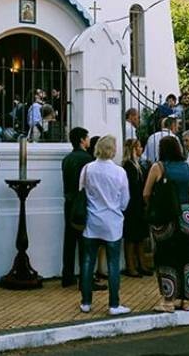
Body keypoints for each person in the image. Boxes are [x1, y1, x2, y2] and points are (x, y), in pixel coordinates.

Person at [144, 136, 189, 311]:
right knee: (188, 256)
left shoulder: (158, 167)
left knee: (166, 257)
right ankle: (188, 299)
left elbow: (146, 193)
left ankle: (168, 300)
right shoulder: (186, 166)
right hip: (187, 215)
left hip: (167, 216)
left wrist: (153, 206)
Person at [78, 135, 131, 315]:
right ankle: (114, 304)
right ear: (113, 150)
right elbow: (125, 200)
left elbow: (82, 191)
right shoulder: (119, 172)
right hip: (113, 222)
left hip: (92, 220)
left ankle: (86, 302)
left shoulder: (88, 169)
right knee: (113, 263)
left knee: (88, 261)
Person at [61, 127, 99, 289]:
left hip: (69, 202)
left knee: (69, 240)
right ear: (82, 140)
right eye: (87, 137)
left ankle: (67, 276)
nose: (89, 140)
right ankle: (86, 279)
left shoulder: (67, 159)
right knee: (85, 243)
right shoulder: (87, 159)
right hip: (83, 202)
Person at [121, 138, 150, 278]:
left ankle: (142, 264)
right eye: (139, 147)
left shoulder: (138, 165)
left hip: (138, 204)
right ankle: (131, 266)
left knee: (140, 236)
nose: (141, 149)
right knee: (131, 237)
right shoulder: (129, 166)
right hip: (132, 205)